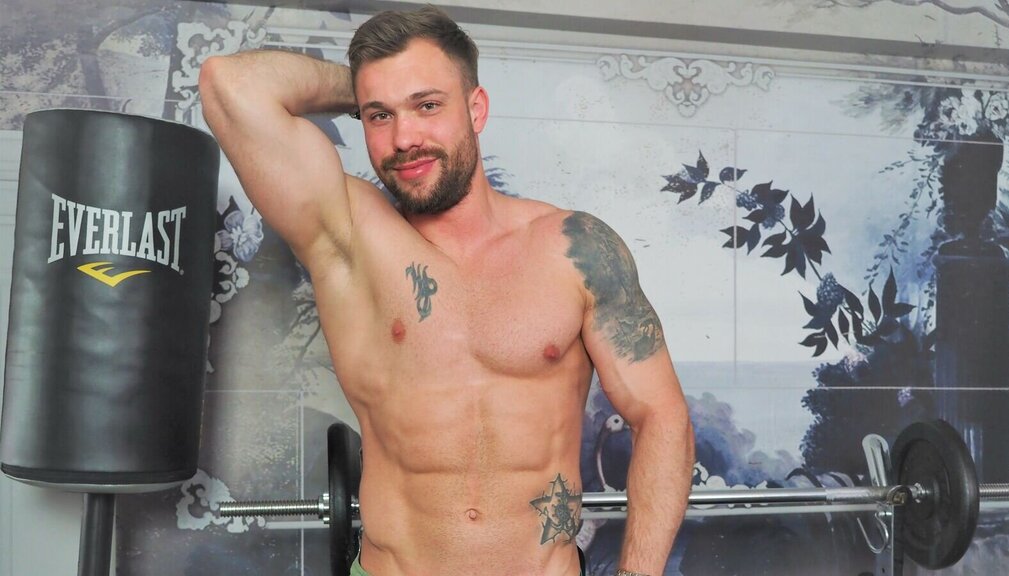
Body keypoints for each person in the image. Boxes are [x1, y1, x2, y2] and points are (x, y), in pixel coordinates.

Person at [199, 6, 694, 575]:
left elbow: (662, 417)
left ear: (475, 108)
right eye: (380, 115)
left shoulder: (574, 248)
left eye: (428, 105)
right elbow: (227, 83)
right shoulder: (348, 234)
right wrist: (363, 88)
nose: (405, 138)